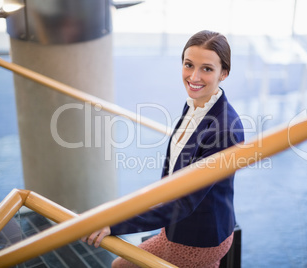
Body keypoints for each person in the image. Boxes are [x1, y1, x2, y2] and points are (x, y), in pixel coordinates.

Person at [82, 30, 245, 267]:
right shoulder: (197, 102)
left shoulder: (224, 129)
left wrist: (115, 225)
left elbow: (186, 203)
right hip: (177, 226)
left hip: (199, 238)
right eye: (189, 65)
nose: (194, 77)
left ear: (224, 73)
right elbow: (174, 170)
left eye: (207, 69)